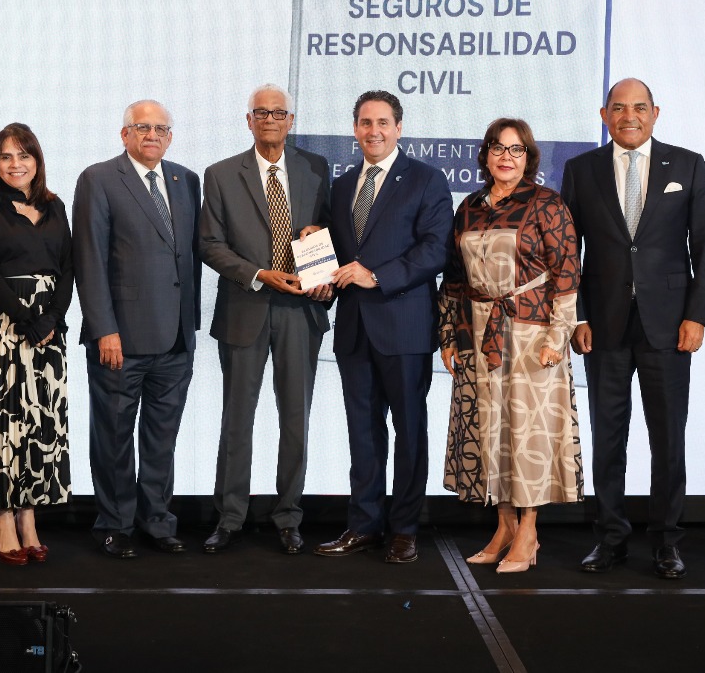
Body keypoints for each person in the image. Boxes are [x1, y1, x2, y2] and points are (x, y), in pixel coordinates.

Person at [561, 78, 705, 579]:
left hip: (669, 326)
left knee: (668, 438)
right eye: (619, 108)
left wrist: (697, 315)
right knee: (608, 438)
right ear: (604, 114)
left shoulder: (687, 164)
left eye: (639, 107)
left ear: (655, 113)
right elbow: (568, 253)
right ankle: (610, 539)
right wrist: (578, 316)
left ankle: (667, 542)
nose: (629, 116)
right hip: (602, 326)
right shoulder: (581, 169)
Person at [314, 90, 453, 564]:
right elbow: (339, 251)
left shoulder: (426, 179)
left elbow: (436, 249)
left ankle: (404, 529)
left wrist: (376, 276)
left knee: (409, 431)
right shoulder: (341, 185)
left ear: (398, 128)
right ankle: (364, 525)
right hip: (354, 328)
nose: (373, 131)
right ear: (354, 129)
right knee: (363, 432)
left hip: (404, 326)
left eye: (382, 123)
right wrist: (317, 249)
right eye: (365, 122)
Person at [439, 118, 583, 574]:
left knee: (527, 435)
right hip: (479, 333)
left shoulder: (546, 204)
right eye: (498, 148)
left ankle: (529, 532)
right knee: (491, 433)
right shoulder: (469, 207)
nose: (506, 156)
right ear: (485, 155)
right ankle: (503, 527)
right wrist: (449, 335)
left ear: (528, 158)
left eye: (516, 149)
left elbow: (566, 274)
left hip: (531, 335)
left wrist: (558, 337)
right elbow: (454, 278)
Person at [198, 84, 333, 556]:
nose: (270, 119)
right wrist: (258, 274)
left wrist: (323, 253)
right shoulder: (220, 174)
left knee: (296, 420)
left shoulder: (316, 168)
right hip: (245, 307)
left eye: (278, 113)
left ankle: (288, 516)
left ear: (291, 121)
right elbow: (210, 245)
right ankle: (230, 517)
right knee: (237, 419)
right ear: (249, 120)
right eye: (261, 112)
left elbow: (331, 232)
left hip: (301, 311)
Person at [73, 100, 201, 558]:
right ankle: (115, 524)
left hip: (176, 338)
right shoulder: (99, 179)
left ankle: (157, 521)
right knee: (113, 438)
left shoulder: (186, 180)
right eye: (142, 127)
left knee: (161, 439)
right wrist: (103, 329)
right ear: (124, 134)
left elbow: (189, 254)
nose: (152, 135)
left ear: (170, 137)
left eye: (160, 129)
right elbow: (89, 259)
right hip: (120, 339)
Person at [0, 123, 73, 565]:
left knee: (40, 425)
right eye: (6, 156)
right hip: (5, 325)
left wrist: (51, 318)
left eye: (24, 155)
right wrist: (27, 320)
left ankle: (29, 516)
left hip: (49, 330)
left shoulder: (54, 205)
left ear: (37, 161)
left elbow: (68, 268)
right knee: (4, 423)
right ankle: (3, 516)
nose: (15, 164)